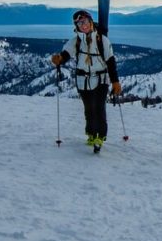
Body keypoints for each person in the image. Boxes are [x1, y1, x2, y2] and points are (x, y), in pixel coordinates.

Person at [50, 9, 121, 153]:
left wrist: (115, 82)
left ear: (90, 21)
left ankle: (100, 137)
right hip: (83, 81)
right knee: (88, 109)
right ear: (76, 26)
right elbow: (66, 54)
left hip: (101, 79)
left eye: (86, 21)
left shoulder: (102, 40)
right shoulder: (76, 41)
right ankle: (90, 133)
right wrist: (59, 59)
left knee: (99, 108)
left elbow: (111, 61)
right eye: (80, 23)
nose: (84, 25)